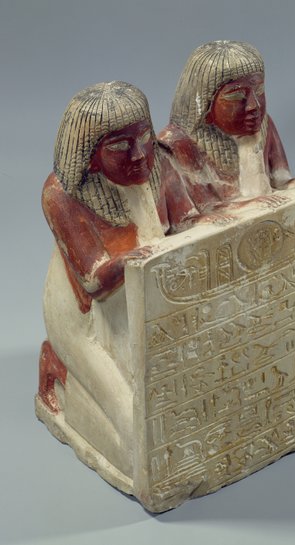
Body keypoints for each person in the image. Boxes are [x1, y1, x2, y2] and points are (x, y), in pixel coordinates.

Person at [37, 81, 197, 479]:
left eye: (144, 138)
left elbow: (190, 224)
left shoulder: (159, 164)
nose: (139, 154)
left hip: (157, 293)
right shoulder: (62, 194)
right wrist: (148, 256)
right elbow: (96, 280)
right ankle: (58, 367)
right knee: (139, 438)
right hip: (91, 319)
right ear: (89, 157)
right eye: (120, 146)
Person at [159, 40, 292, 211]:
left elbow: (282, 182)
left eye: (259, 90)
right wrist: (251, 205)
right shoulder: (176, 146)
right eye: (236, 96)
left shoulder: (265, 124)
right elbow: (203, 210)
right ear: (206, 107)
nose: (254, 106)